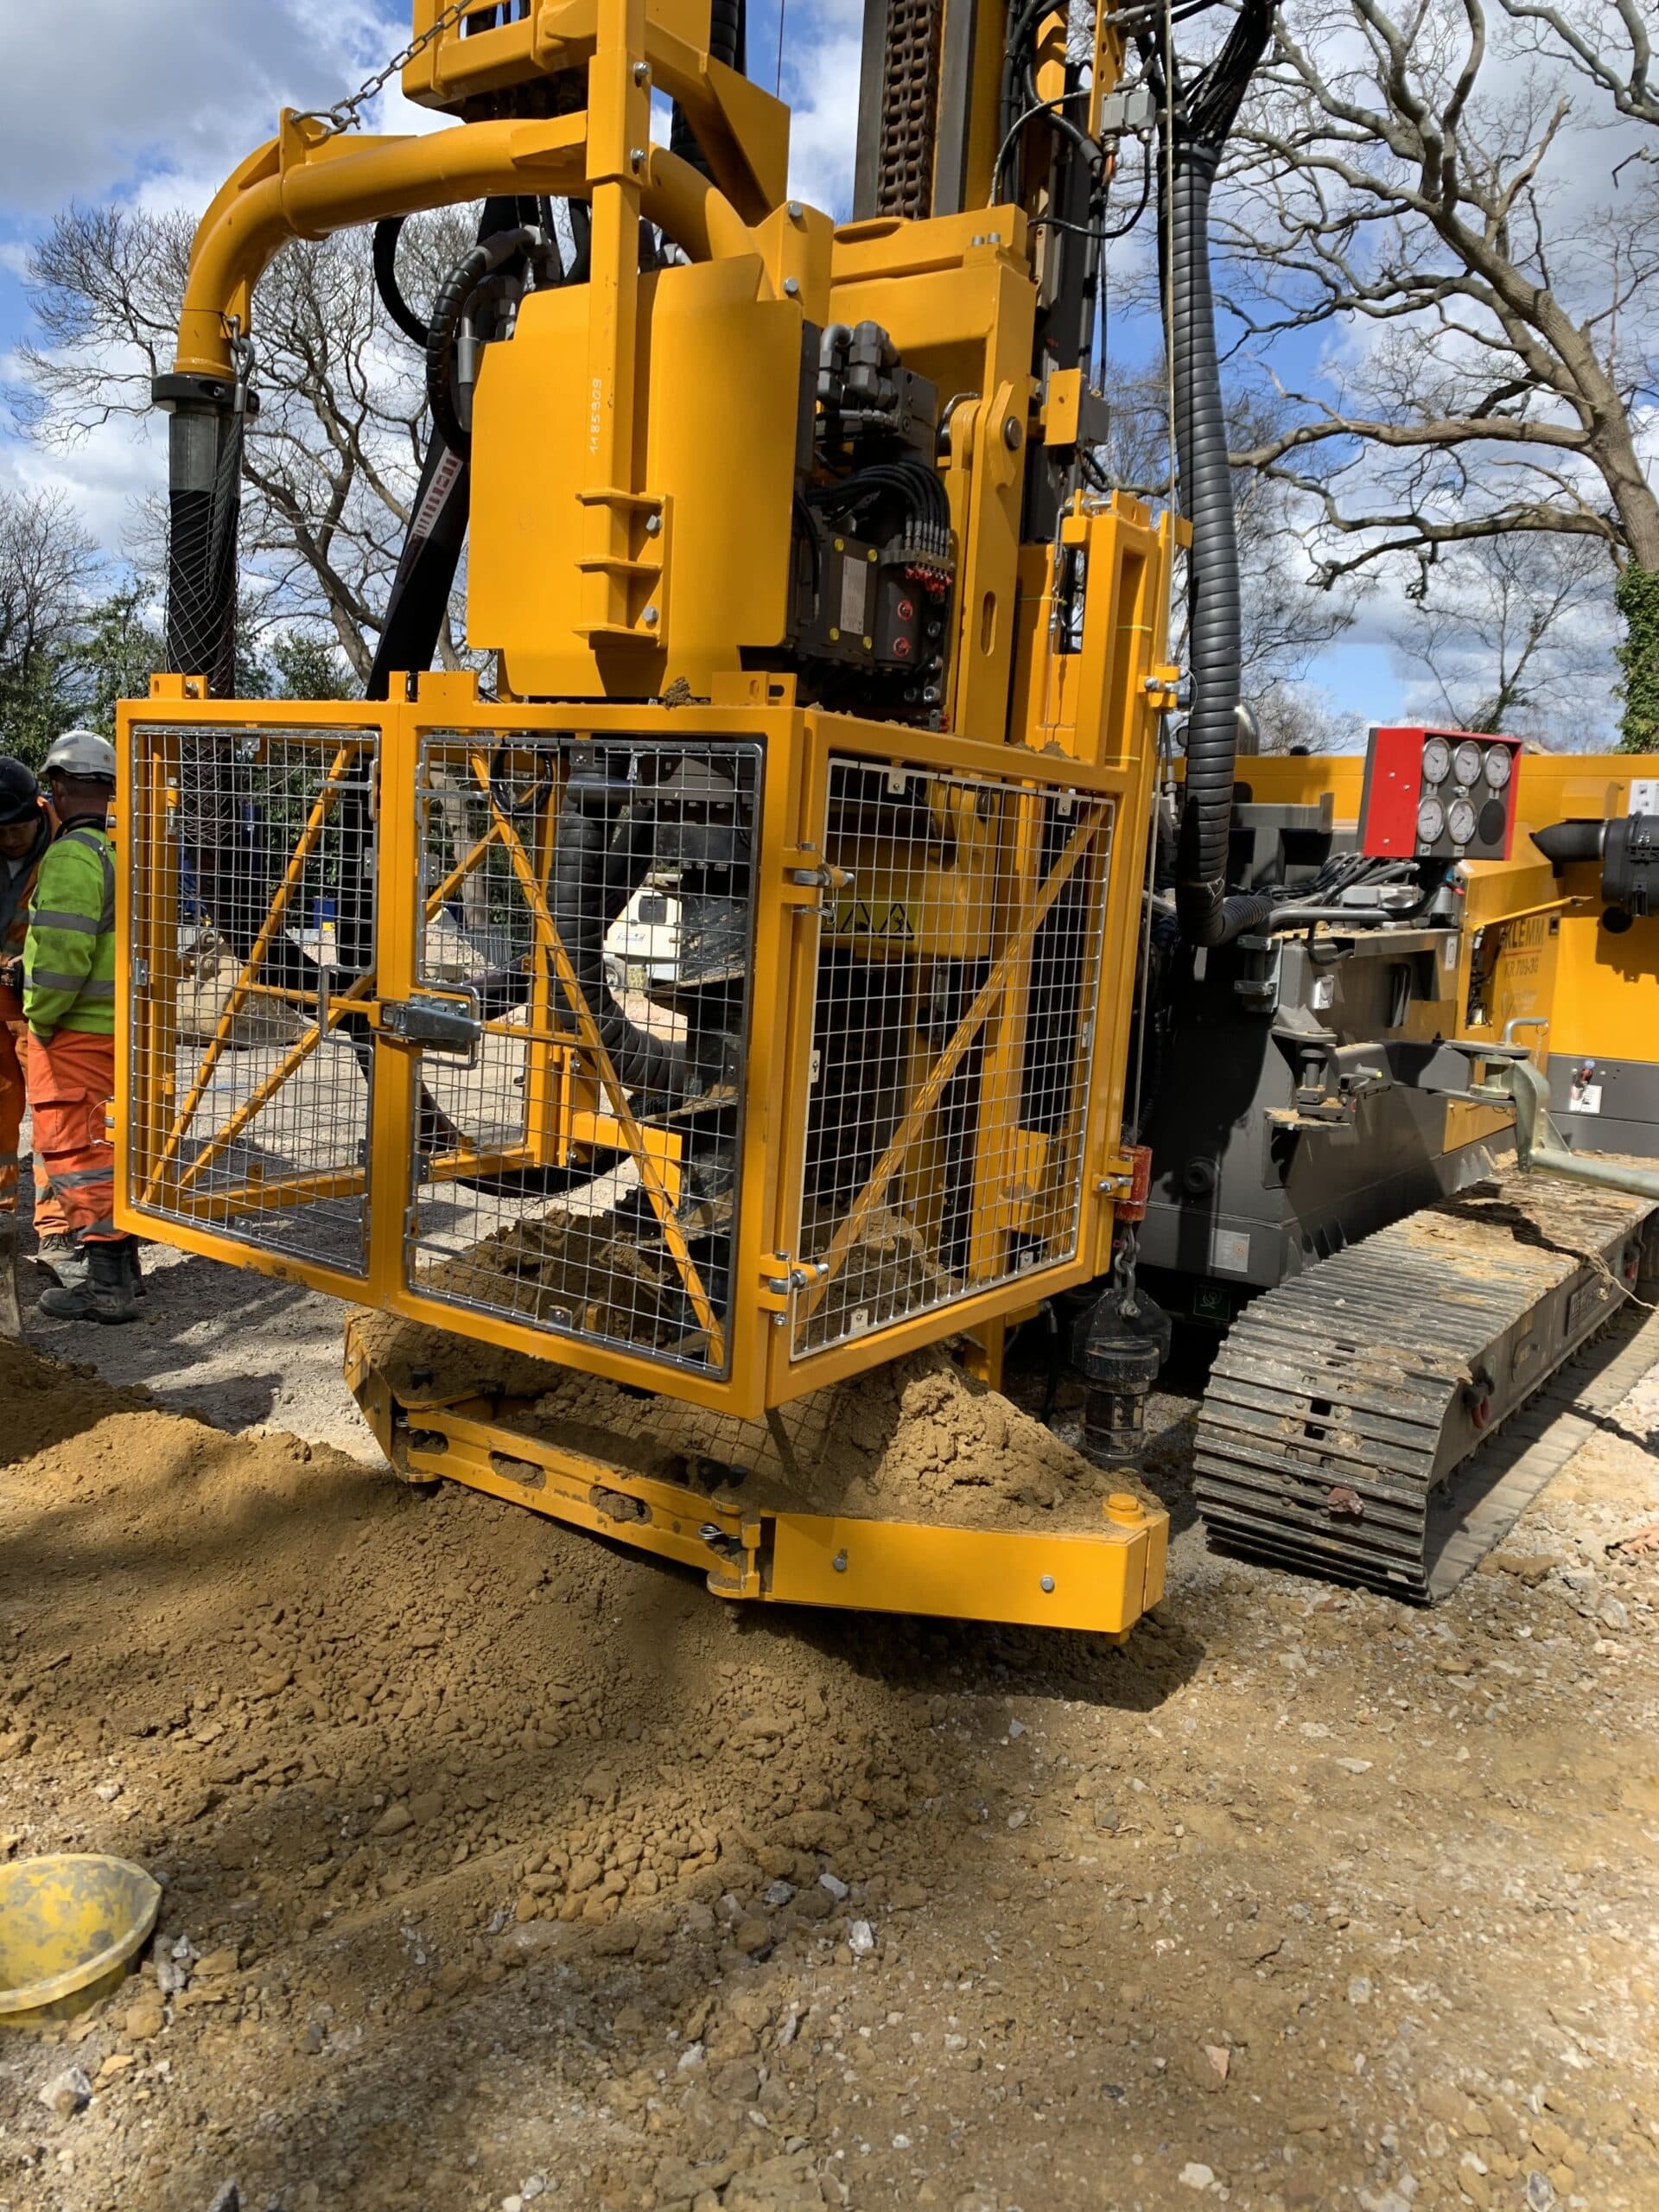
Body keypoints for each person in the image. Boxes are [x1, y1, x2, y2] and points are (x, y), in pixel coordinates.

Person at [23, 730, 137, 1325]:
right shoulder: (122, 851)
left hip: (72, 1033)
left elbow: (64, 954)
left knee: (76, 1151)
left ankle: (105, 1288)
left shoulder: (70, 855)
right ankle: (127, 1272)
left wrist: (36, 1010)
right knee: (110, 1145)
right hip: (116, 1027)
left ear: (61, 789)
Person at [0, 757, 72, 1279]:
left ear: (35, 811)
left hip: (43, 998)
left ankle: (57, 1228)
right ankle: (2, 1216)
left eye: (16, 828)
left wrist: (33, 962)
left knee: (52, 1113)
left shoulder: (68, 848)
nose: (9, 840)